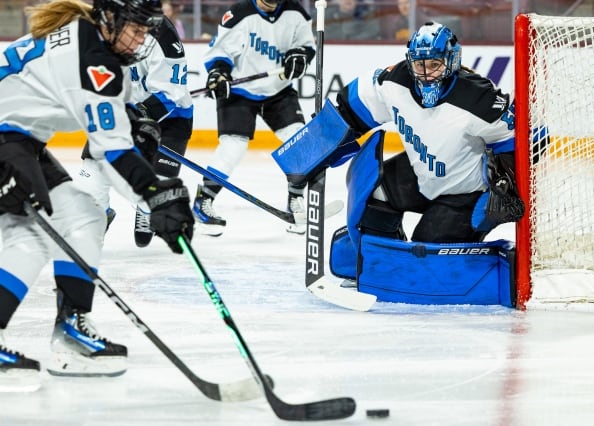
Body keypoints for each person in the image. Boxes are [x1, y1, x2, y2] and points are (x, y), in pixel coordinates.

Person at [0, 0, 193, 391]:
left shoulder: (90, 40)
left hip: (20, 138)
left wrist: (128, 118)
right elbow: (111, 150)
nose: (142, 39)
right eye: (136, 28)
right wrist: (154, 195)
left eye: (147, 29)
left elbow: (105, 130)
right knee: (29, 237)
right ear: (110, 18)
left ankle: (71, 330)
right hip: (7, 139)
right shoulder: (91, 59)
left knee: (85, 214)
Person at [274, 21, 522, 305]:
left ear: (451, 62)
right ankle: (381, 259)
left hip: (463, 193)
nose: (426, 74)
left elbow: (518, 140)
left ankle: (416, 252)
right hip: (420, 175)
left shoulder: (478, 98)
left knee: (426, 257)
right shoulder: (394, 81)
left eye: (434, 64)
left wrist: (503, 188)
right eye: (419, 65)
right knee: (371, 195)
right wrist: (308, 153)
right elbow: (349, 111)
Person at [193, 0, 316, 236]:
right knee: (233, 147)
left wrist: (299, 57)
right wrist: (219, 73)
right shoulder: (238, 14)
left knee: (299, 142)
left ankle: (295, 201)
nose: (268, 5)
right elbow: (219, 52)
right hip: (240, 91)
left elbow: (306, 46)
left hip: (278, 90)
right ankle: (203, 200)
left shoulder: (296, 13)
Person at [76, 14, 194, 248]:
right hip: (119, 114)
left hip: (169, 120)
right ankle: (96, 220)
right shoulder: (101, 28)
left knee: (154, 192)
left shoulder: (164, 36)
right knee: (91, 181)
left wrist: (137, 112)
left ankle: (145, 207)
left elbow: (172, 95)